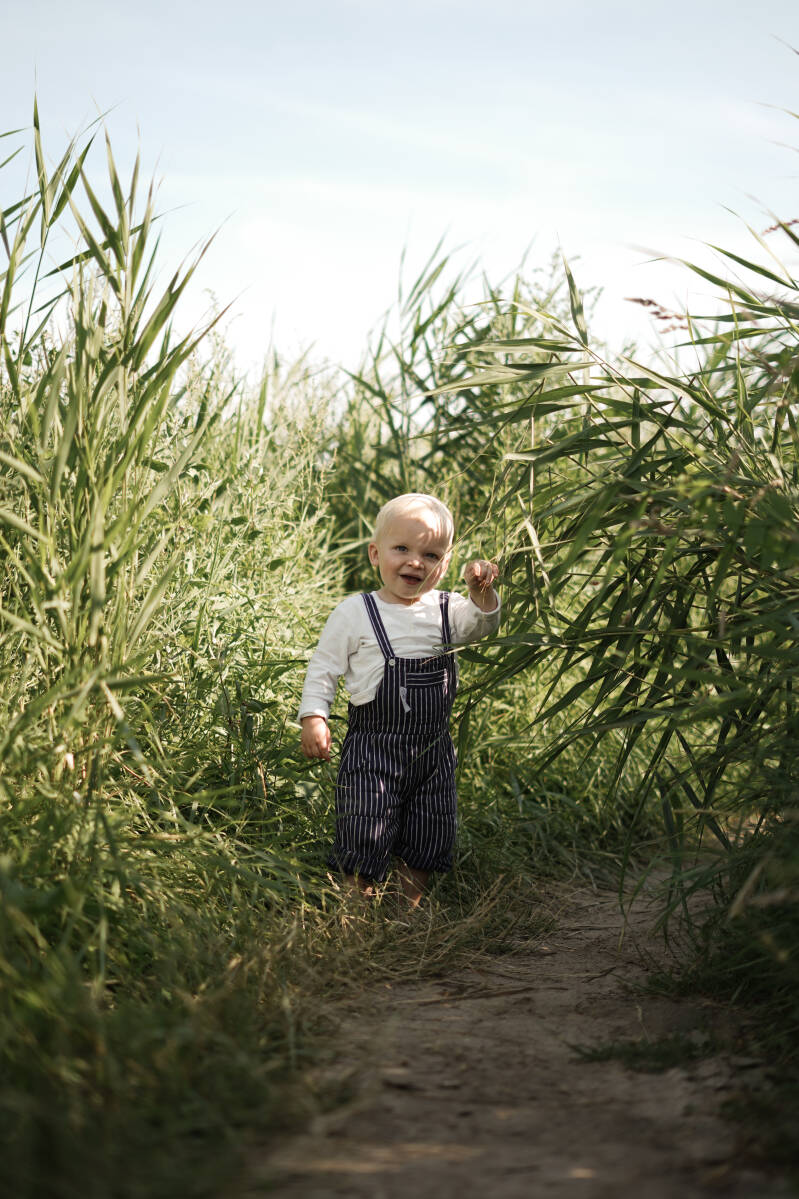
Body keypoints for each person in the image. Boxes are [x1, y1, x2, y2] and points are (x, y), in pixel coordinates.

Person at [299, 492, 500, 905]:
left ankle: (409, 910)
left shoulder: (448, 609)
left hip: (432, 748)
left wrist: (480, 593)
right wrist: (314, 716)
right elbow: (324, 668)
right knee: (364, 824)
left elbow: (481, 627)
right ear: (376, 554)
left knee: (429, 827)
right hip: (373, 747)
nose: (416, 562)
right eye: (402, 549)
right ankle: (355, 912)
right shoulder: (356, 612)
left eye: (430, 555)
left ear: (445, 565)